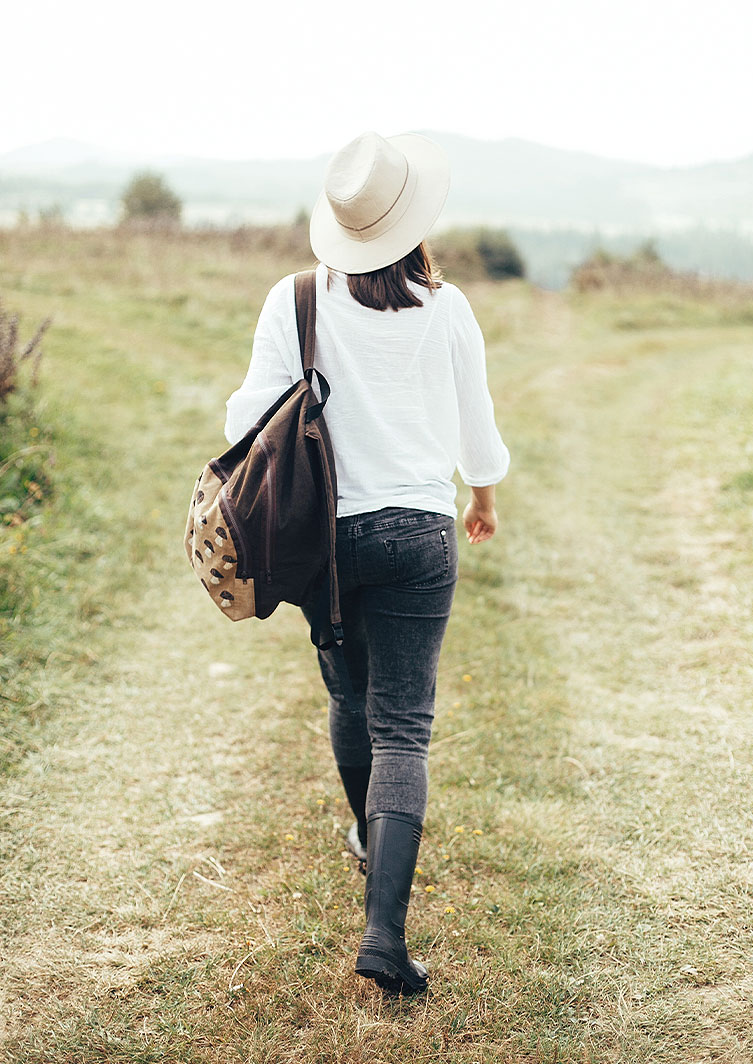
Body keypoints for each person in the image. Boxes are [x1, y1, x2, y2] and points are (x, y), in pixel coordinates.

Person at [224, 131, 510, 995]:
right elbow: (475, 422)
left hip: (325, 541)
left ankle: (365, 834)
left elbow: (246, 422)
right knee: (403, 726)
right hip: (419, 531)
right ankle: (384, 934)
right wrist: (482, 499)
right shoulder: (446, 308)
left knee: (350, 698)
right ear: (413, 221)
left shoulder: (295, 300)